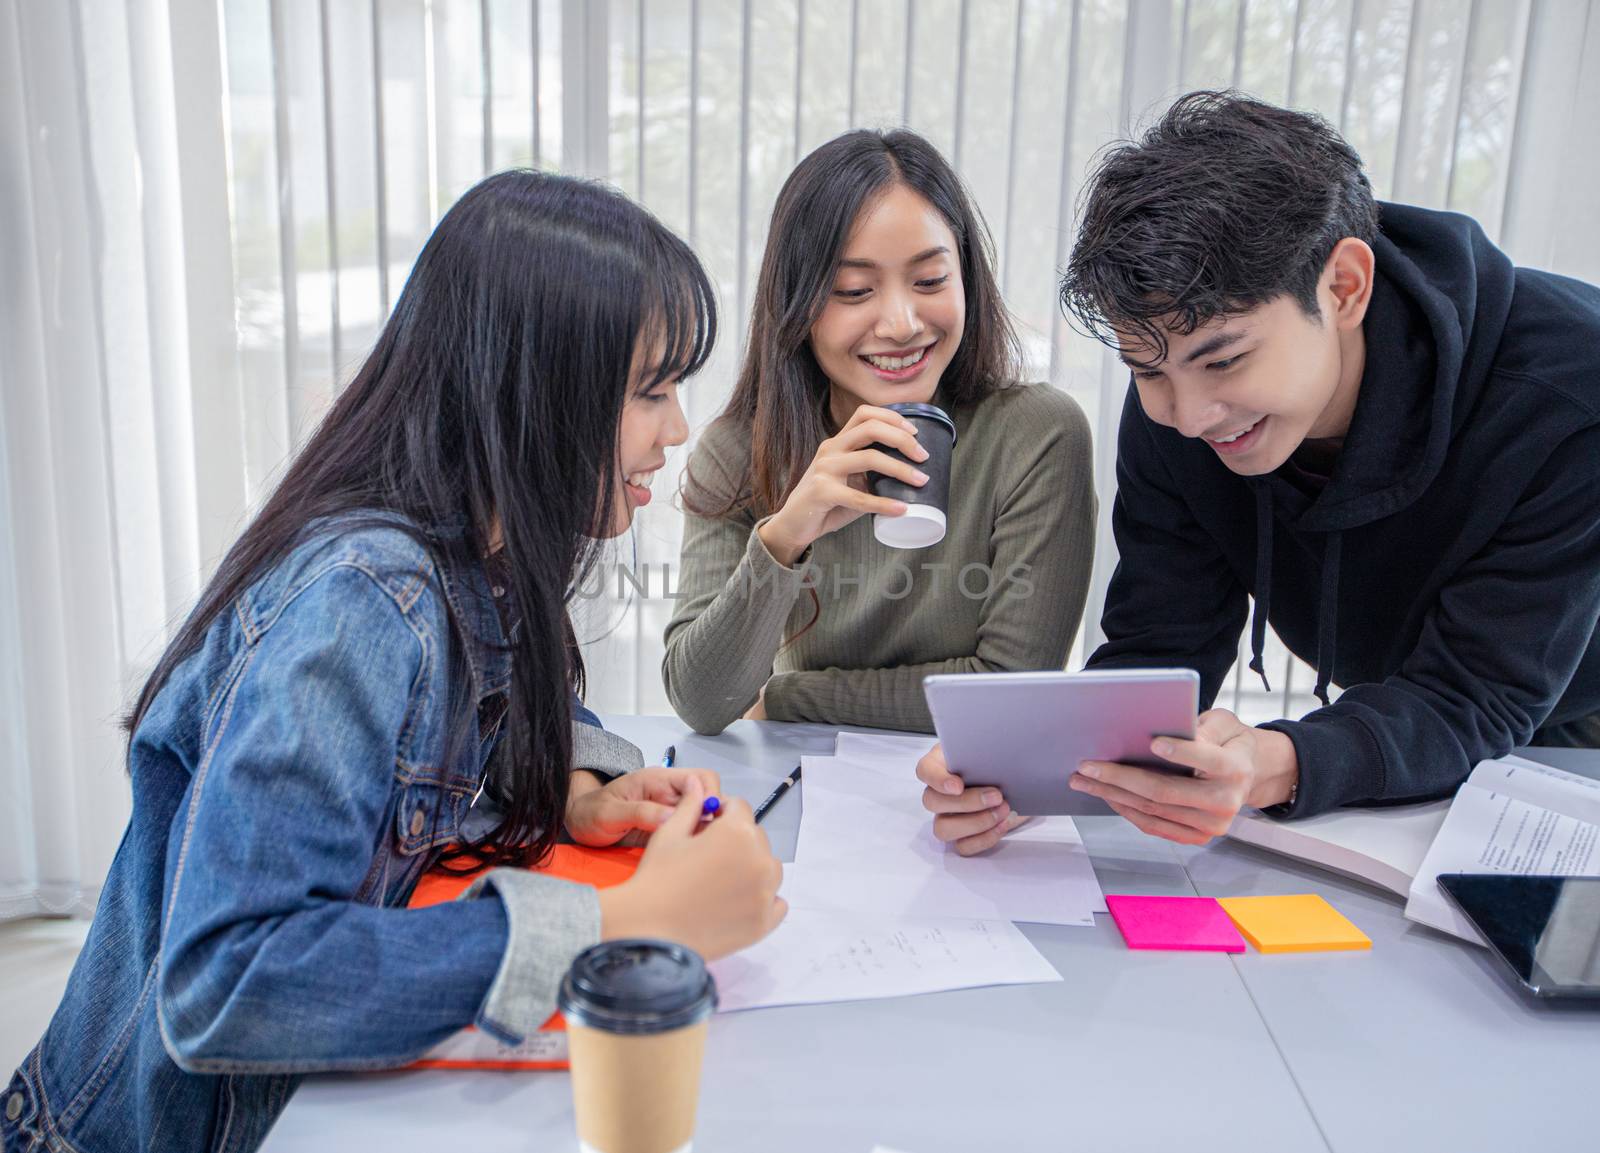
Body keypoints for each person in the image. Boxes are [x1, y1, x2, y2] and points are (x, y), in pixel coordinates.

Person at [3, 171, 786, 1153]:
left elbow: (487, 715)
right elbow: (229, 980)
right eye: (651, 390)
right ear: (533, 387)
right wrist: (619, 916)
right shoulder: (365, 600)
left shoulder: (479, 551)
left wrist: (579, 782)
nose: (676, 430)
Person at [919, 90, 1600, 853]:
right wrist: (1036, 770)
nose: (1191, 413)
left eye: (1226, 359)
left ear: (1344, 287)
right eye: (1148, 372)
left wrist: (1279, 761)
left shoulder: (1569, 395)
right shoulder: (1176, 397)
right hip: (1438, 719)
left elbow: (1471, 696)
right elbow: (1162, 644)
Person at [664, 128, 1096, 736]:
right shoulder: (739, 451)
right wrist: (788, 533)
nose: (900, 323)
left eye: (930, 282)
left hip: (972, 797)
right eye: (854, 291)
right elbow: (703, 702)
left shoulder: (1035, 434)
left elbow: (1007, 693)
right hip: (802, 794)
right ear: (798, 304)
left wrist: (788, 698)